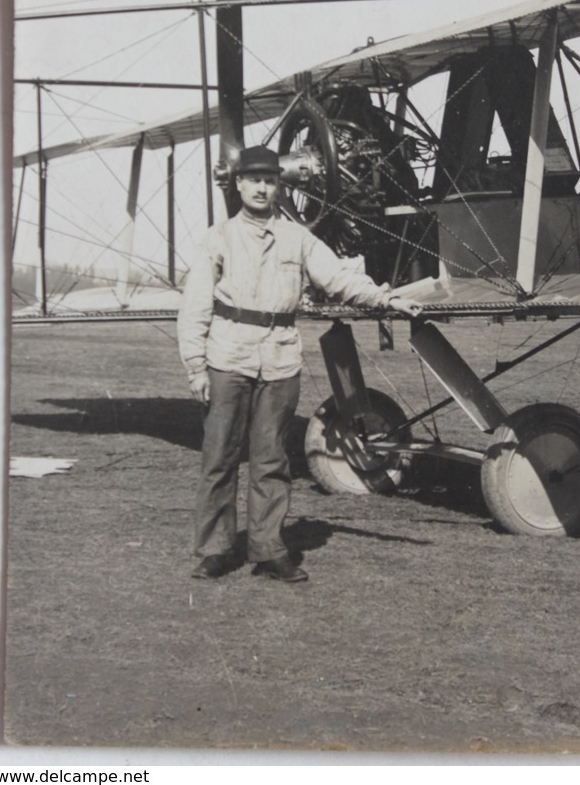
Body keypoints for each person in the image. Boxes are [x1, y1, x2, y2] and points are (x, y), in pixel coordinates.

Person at [177, 144, 422, 583]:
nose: (262, 188)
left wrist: (387, 298)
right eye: (253, 180)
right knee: (219, 457)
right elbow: (195, 306)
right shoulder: (219, 238)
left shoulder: (299, 238)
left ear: (279, 187)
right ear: (239, 185)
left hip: (280, 360)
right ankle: (215, 550)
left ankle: (269, 550)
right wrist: (196, 366)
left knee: (271, 459)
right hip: (228, 356)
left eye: (270, 181)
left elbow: (339, 278)